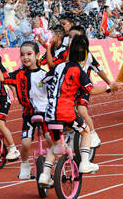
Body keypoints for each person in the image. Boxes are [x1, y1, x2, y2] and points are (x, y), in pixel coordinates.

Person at [38, 33, 108, 185]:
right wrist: (108, 88)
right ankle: (84, 162)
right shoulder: (79, 71)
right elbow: (90, 89)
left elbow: (45, 80)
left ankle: (44, 175)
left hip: (50, 113)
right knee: (86, 130)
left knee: (56, 145)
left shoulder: (59, 66)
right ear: (84, 55)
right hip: (66, 112)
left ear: (69, 51)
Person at [0, 41, 50, 180]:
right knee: (26, 143)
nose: (25, 57)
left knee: (51, 140)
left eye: (29, 54)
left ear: (37, 55)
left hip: (46, 113)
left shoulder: (45, 75)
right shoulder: (19, 74)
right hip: (29, 114)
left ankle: (54, 167)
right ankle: (25, 165)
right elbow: (2, 78)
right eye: (22, 55)